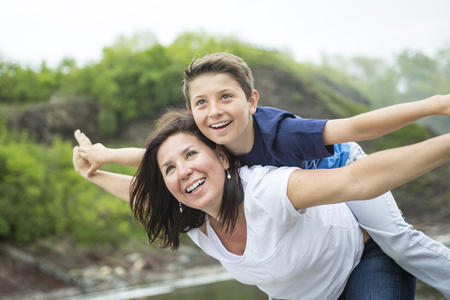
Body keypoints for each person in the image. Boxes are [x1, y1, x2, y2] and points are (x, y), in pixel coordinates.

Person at [76, 53, 450, 298]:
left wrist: (436, 105)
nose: (215, 111)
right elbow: (154, 168)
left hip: (337, 165)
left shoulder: (282, 135)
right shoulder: (204, 154)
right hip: (307, 207)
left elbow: (356, 131)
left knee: (398, 242)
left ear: (252, 101)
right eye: (202, 103)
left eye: (227, 97)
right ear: (191, 112)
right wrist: (101, 159)